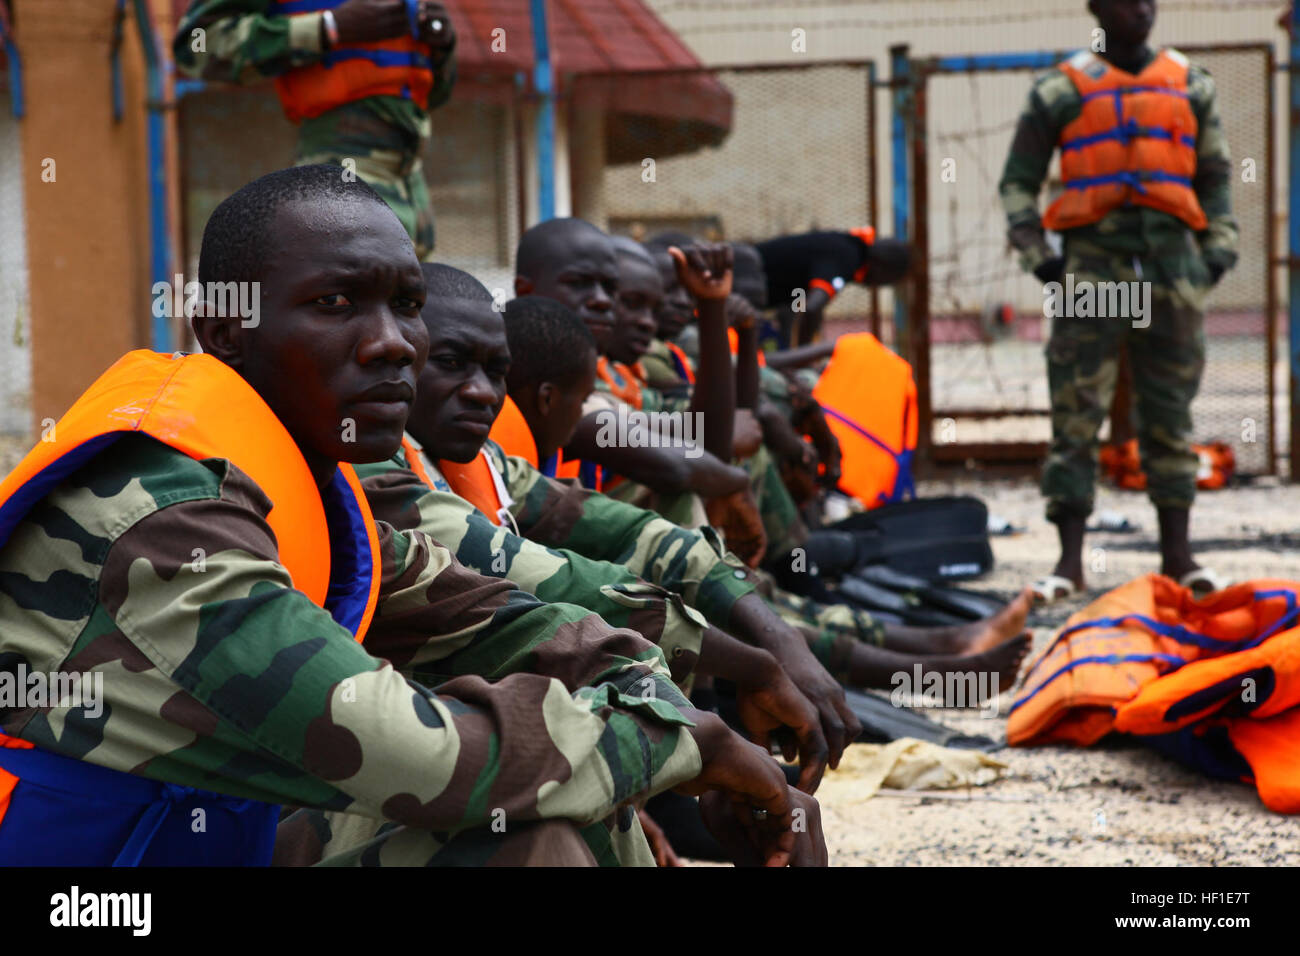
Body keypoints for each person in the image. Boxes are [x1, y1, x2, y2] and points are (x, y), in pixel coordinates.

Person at [0, 166, 820, 867]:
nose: (394, 343)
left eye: (407, 304)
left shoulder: (303, 490)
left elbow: (513, 615)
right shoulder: (168, 520)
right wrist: (696, 746)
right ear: (226, 330)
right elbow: (427, 757)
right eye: (335, 303)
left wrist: (695, 703)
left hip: (190, 840)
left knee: (551, 809)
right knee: (525, 807)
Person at [998, 0, 1237, 602]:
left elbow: (1215, 177)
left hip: (1172, 266)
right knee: (1076, 413)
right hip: (1093, 268)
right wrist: (1042, 260)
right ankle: (1070, 562)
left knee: (1171, 414)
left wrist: (1216, 253)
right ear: (1097, 8)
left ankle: (1178, 557)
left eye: (1150, 0)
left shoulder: (1190, 84)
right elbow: (1018, 182)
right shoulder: (1060, 90)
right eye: (1127, 1)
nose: (1142, 10)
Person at [174, 0, 458, 257]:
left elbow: (431, 94)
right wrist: (327, 28)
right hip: (340, 172)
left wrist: (442, 48)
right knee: (351, 299)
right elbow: (196, 46)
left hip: (415, 185)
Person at [754, 228, 912, 346]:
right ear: (881, 267)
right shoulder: (848, 258)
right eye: (885, 282)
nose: (876, 286)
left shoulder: (846, 246)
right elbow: (812, 307)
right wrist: (802, 358)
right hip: (742, 282)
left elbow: (798, 302)